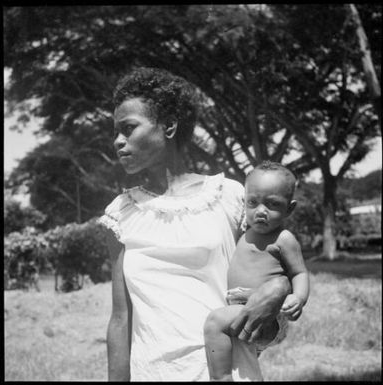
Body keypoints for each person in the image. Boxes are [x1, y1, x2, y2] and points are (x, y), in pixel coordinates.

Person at [98, 67, 292, 381]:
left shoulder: (229, 197)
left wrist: (278, 292)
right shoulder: (121, 213)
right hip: (154, 373)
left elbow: (267, 306)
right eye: (115, 131)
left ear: (170, 126)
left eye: (129, 128)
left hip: (226, 371)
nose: (118, 141)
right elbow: (121, 320)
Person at [204, 161, 310, 381]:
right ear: (245, 203)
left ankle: (220, 377)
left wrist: (298, 298)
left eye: (272, 204)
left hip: (268, 314)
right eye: (253, 202)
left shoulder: (283, 239)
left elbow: (300, 272)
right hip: (242, 308)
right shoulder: (244, 233)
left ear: (289, 208)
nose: (261, 211)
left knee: (215, 322)